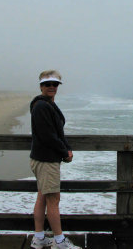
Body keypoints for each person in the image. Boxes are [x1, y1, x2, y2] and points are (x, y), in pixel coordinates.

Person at [29, 70, 80, 249]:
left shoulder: (47, 103)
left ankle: (39, 238)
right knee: (53, 200)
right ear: (41, 86)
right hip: (46, 160)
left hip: (43, 158)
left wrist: (66, 147)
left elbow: (56, 132)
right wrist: (64, 151)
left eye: (55, 84)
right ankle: (59, 241)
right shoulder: (42, 106)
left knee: (42, 197)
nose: (51, 87)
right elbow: (47, 136)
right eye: (47, 84)